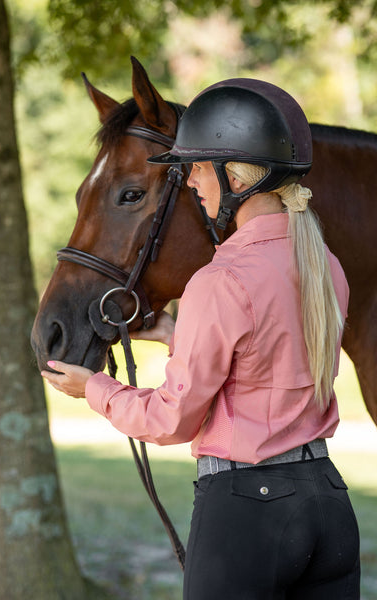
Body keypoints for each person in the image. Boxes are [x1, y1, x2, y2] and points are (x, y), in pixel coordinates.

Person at [42, 78, 360, 599]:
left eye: (197, 166)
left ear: (235, 176)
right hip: (327, 501)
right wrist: (175, 335)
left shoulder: (219, 281)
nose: (188, 181)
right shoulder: (325, 265)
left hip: (246, 515)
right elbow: (271, 363)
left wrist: (93, 389)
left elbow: (171, 419)